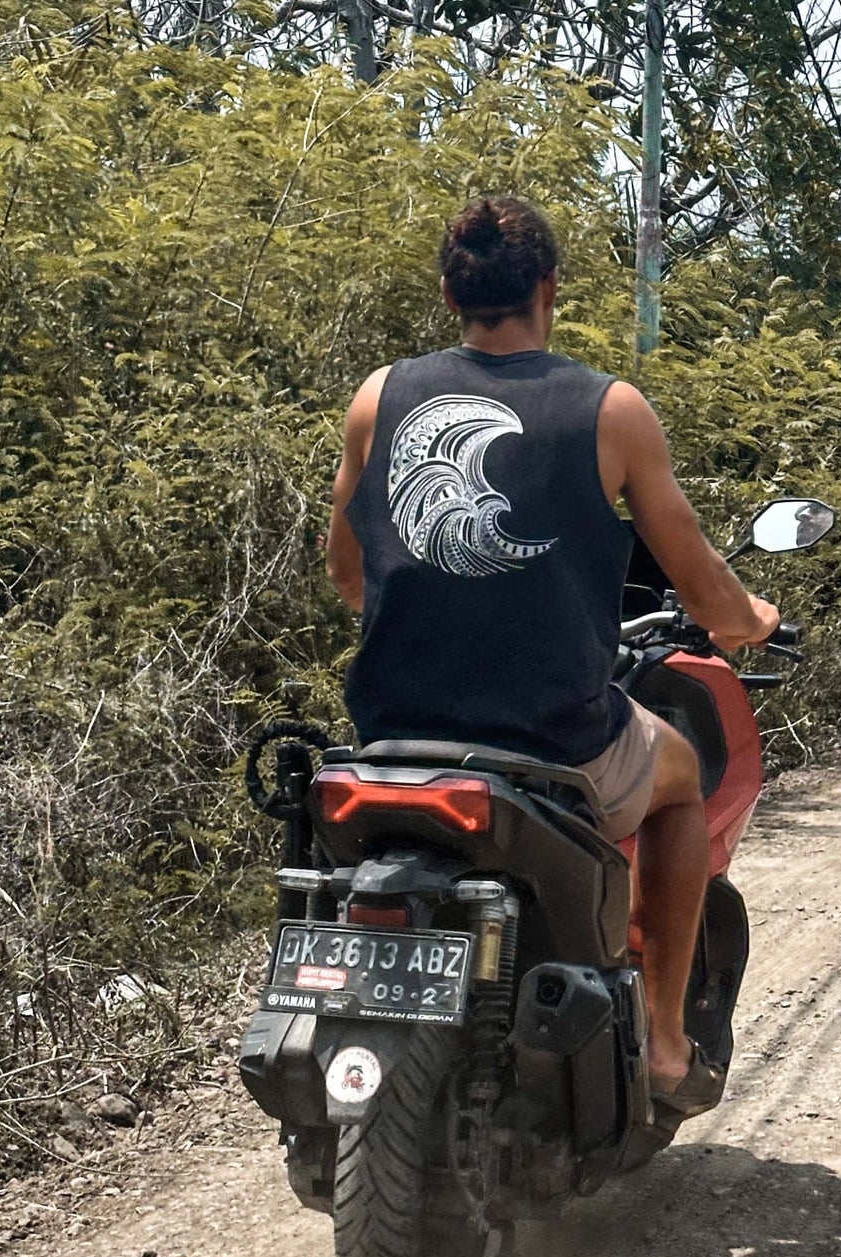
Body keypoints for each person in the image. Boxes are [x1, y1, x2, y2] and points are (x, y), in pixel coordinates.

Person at [326, 195, 778, 1116]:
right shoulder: (608, 409)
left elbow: (347, 576)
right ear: (548, 288)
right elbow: (700, 589)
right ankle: (660, 1040)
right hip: (549, 736)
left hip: (392, 733)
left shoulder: (379, 396)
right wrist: (751, 620)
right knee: (682, 775)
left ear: (449, 291)